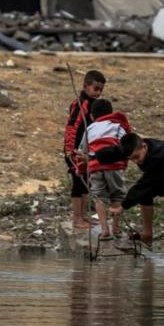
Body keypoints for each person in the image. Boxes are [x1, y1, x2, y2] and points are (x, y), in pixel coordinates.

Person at [78, 99, 131, 241]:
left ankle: (104, 229)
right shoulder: (118, 126)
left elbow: (82, 153)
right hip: (114, 166)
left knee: (98, 196)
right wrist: (124, 164)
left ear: (92, 116)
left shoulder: (89, 129)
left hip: (95, 166)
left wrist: (80, 169)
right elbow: (126, 147)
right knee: (117, 195)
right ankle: (116, 227)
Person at [64, 70, 105, 229]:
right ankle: (77, 218)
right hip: (75, 150)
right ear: (85, 86)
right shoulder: (81, 103)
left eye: (101, 89)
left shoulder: (94, 104)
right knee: (78, 182)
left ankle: (85, 215)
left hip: (86, 150)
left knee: (87, 182)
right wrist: (69, 149)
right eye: (95, 89)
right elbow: (72, 127)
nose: (98, 92)